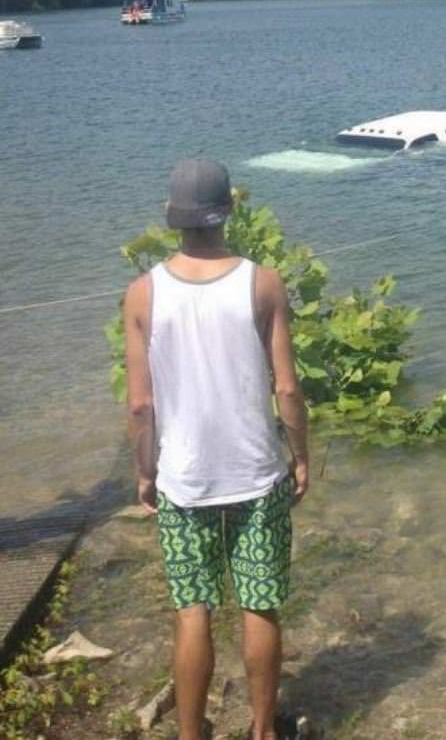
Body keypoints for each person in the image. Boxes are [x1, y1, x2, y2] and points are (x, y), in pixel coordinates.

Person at [123, 158, 309, 740]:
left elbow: (140, 406)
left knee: (193, 608)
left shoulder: (142, 293)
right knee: (260, 605)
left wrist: (146, 471)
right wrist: (300, 456)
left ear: (172, 218)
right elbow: (286, 387)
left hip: (184, 476)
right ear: (229, 209)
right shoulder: (263, 282)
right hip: (256, 473)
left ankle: (190, 734)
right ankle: (262, 730)